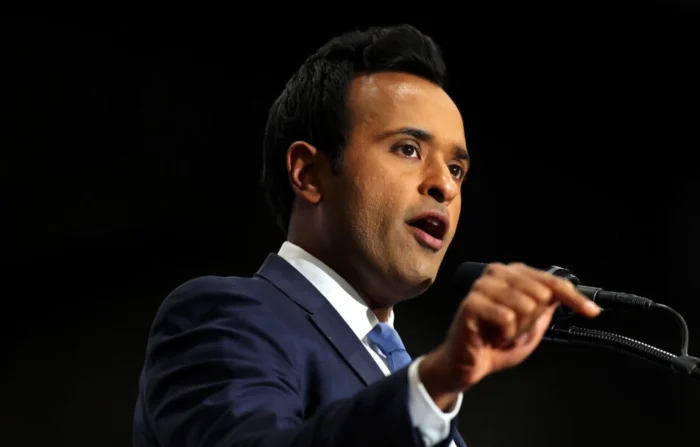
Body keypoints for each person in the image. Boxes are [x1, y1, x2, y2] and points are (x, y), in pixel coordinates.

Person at [132, 23, 601, 447]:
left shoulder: (416, 389)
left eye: (457, 168)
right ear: (309, 173)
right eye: (408, 148)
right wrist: (430, 384)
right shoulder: (225, 317)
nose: (445, 184)